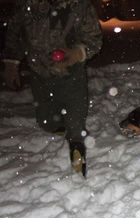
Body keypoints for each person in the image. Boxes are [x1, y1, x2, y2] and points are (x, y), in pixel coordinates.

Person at [2, 0, 103, 177]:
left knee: (75, 120)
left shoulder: (79, 5)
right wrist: (11, 64)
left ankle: (77, 153)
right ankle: (68, 130)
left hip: (71, 73)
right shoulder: (26, 4)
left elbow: (94, 39)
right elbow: (15, 34)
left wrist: (77, 53)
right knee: (46, 122)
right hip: (39, 73)